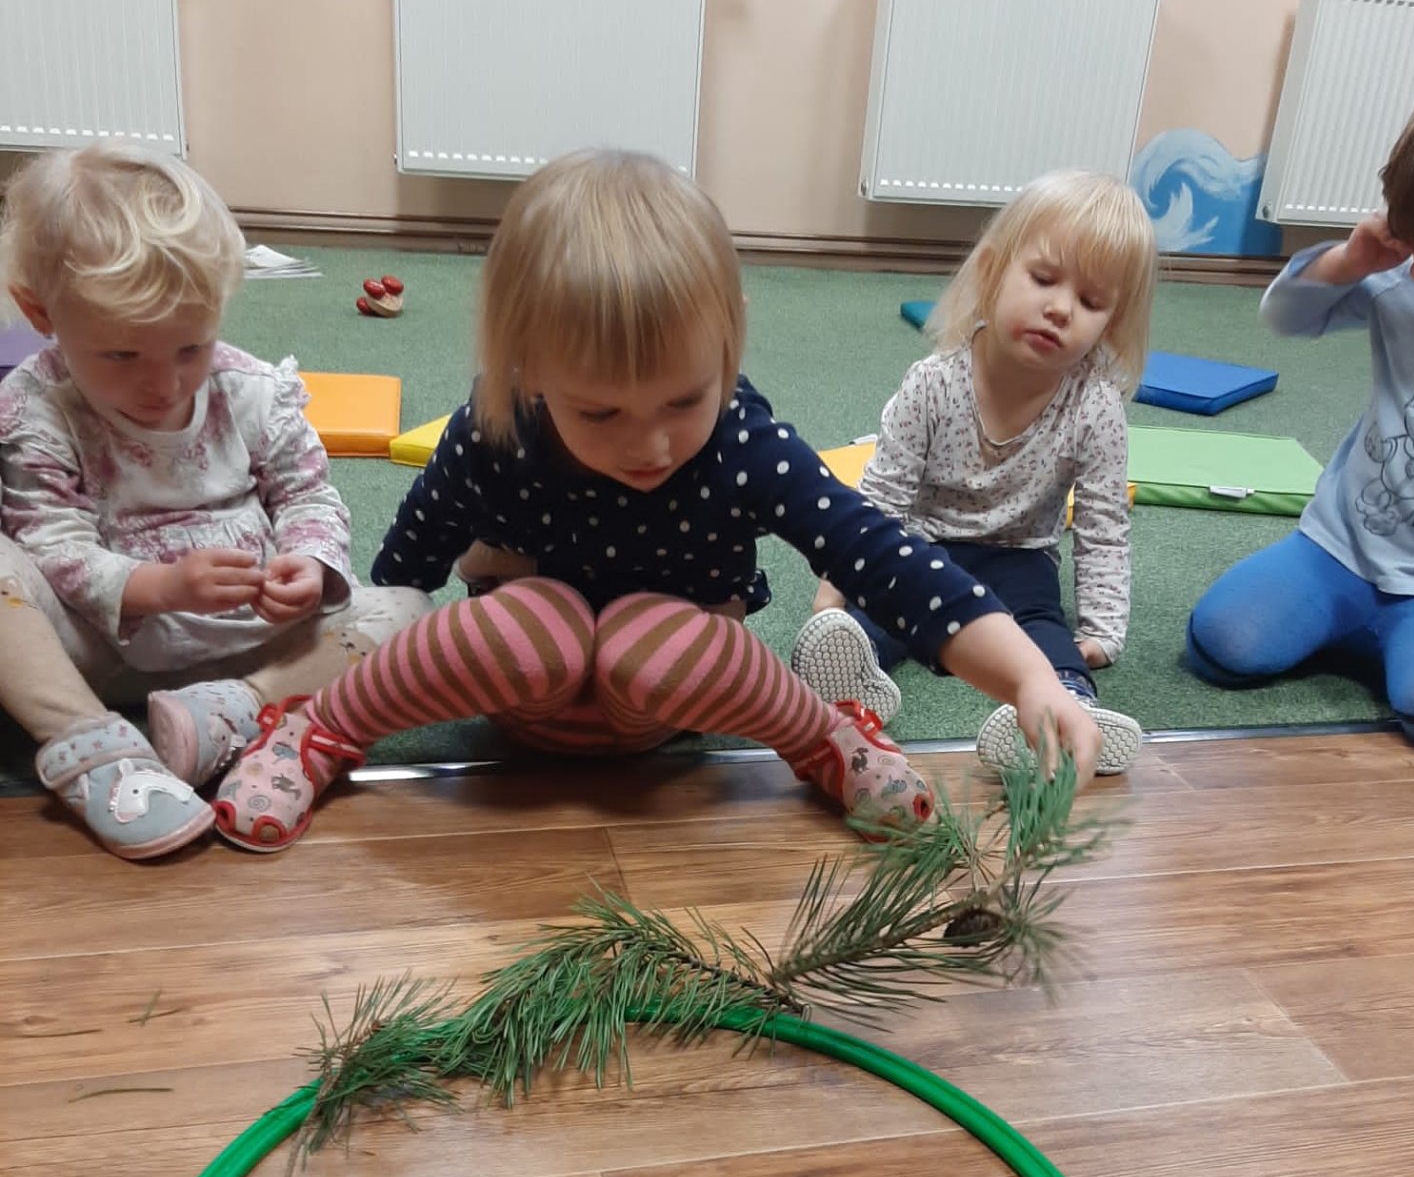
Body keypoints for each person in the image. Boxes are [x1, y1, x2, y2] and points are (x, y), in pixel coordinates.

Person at [211, 149, 1104, 852]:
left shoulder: (745, 444)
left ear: (727, 342)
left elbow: (881, 555)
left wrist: (1030, 676)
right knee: (540, 621)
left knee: (646, 635)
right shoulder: (498, 427)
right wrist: (349, 648)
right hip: (525, 690)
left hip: (666, 695)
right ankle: (314, 734)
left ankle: (830, 741)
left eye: (684, 400)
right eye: (599, 412)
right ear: (528, 368)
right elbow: (408, 563)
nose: (650, 446)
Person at [0, 143, 430, 857]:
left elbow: (309, 494)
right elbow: (50, 543)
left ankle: (234, 711)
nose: (164, 384)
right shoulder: (37, 409)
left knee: (412, 610)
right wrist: (159, 587)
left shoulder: (253, 390)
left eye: (190, 348)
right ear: (40, 313)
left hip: (254, 643)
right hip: (101, 650)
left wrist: (309, 563)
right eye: (122, 355)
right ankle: (92, 745)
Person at [790, 170, 1156, 776]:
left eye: (1091, 303)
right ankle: (854, 686)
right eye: (1043, 279)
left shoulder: (1096, 407)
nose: (1060, 309)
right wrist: (838, 587)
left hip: (1020, 558)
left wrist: (1102, 629)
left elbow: (1103, 524)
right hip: (920, 545)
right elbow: (882, 494)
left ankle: (1066, 710)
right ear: (992, 273)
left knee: (1041, 626)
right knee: (881, 612)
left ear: (1110, 325)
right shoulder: (932, 383)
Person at [1187, 83, 1414, 745]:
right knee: (1222, 646)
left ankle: (1400, 645)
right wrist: (1348, 262)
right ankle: (1346, 627)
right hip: (1339, 548)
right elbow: (1285, 318)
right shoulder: (1401, 278)